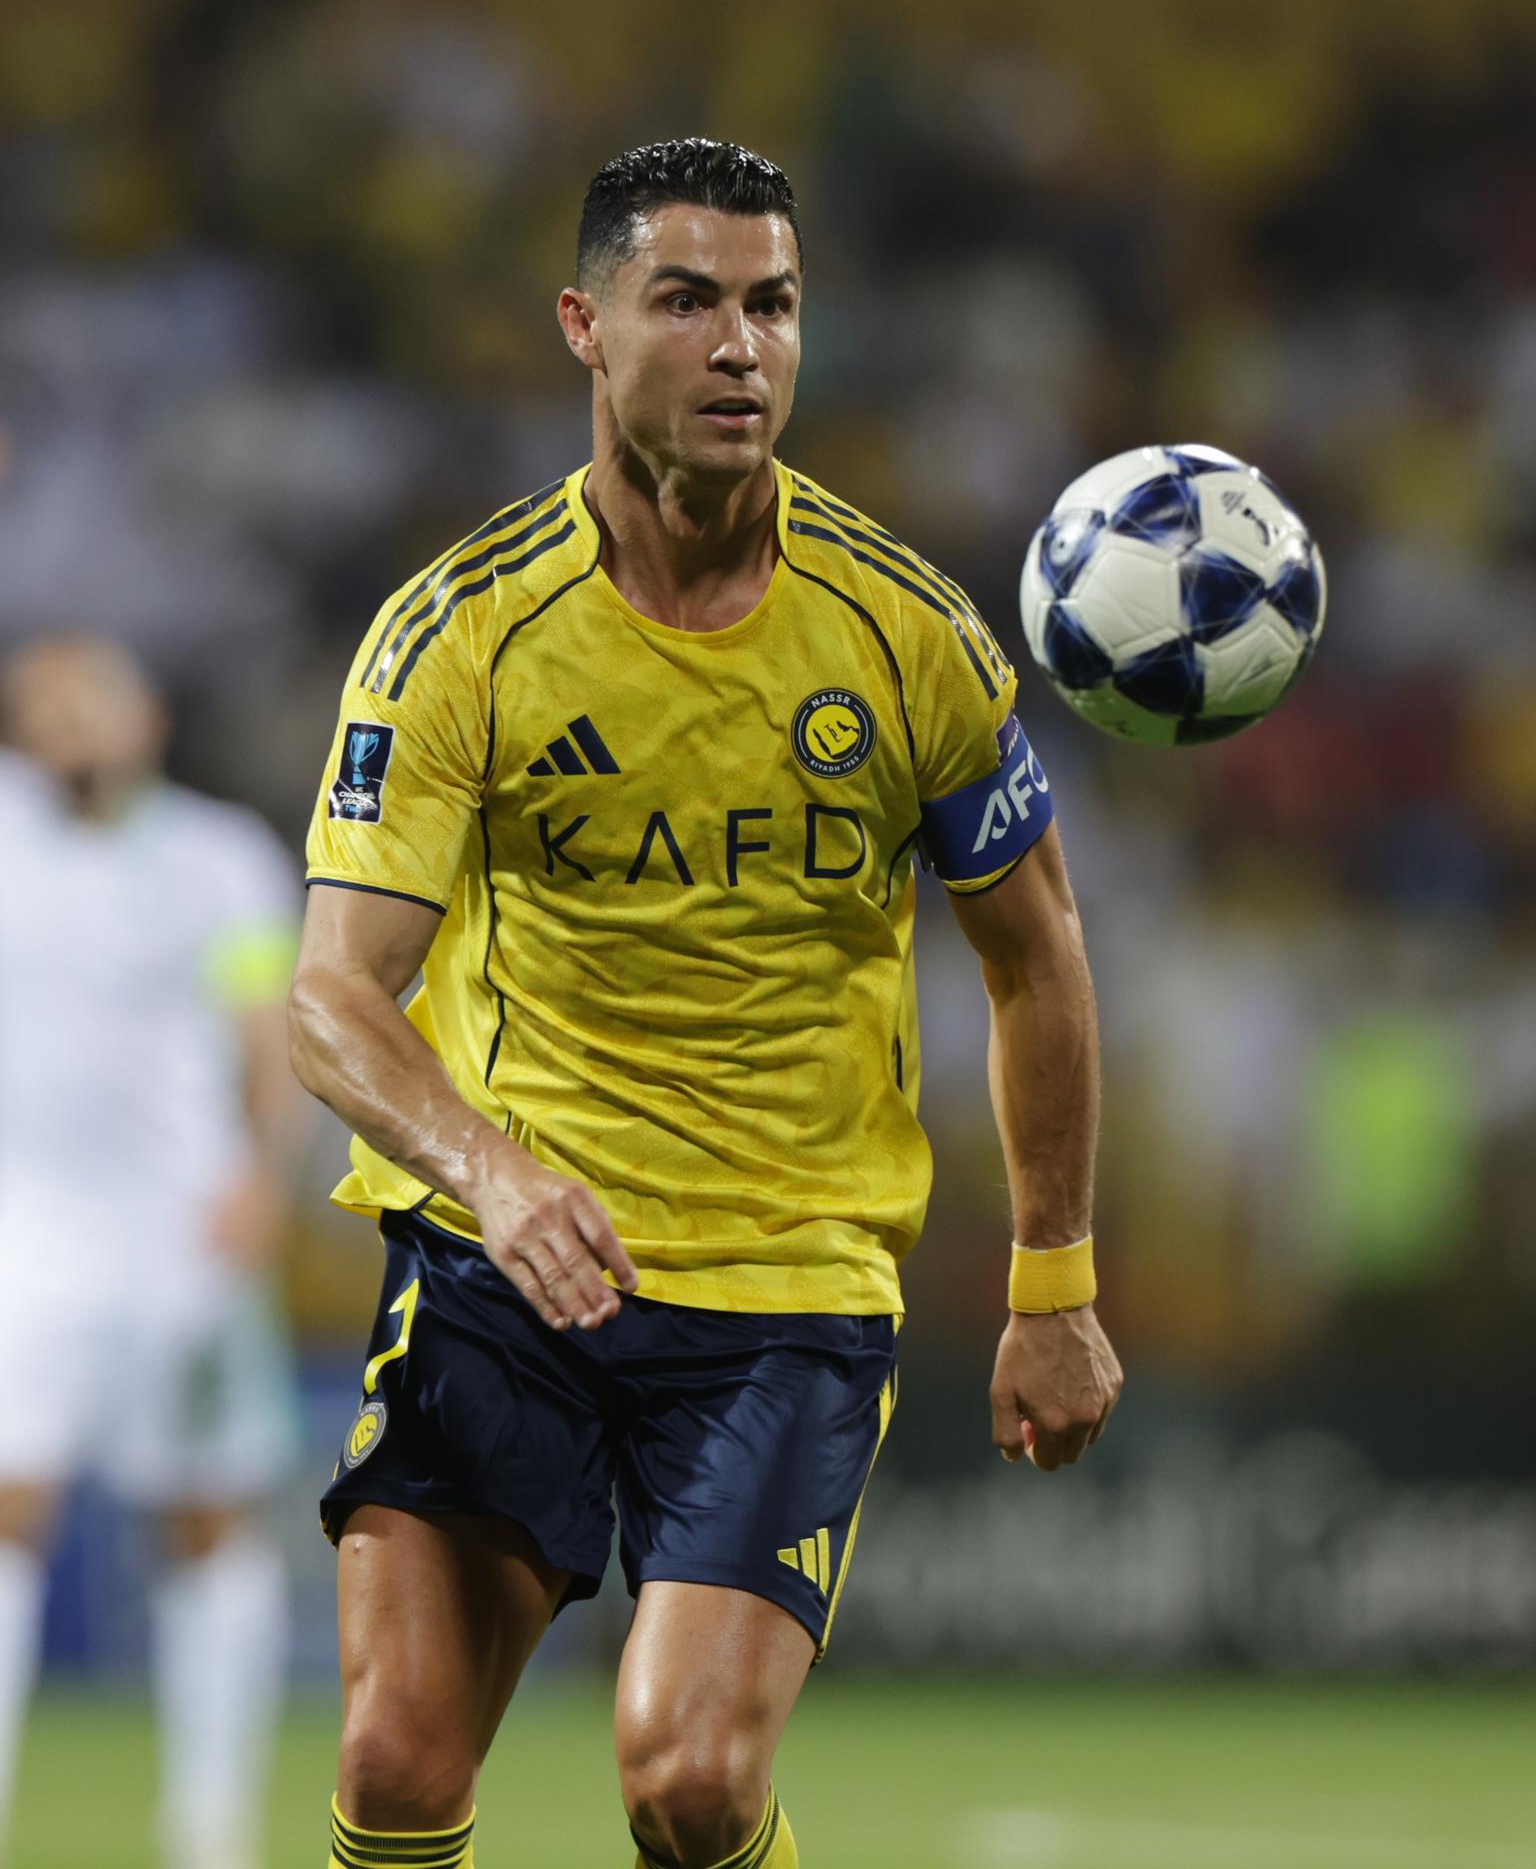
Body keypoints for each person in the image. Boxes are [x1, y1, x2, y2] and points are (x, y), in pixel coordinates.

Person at [291, 137, 1123, 1869]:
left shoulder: (906, 636)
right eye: (690, 302)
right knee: (391, 1758)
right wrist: (490, 1174)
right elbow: (331, 1001)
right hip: (507, 1262)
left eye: (773, 306)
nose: (741, 346)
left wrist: (1053, 1280)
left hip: (785, 1281)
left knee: (689, 1788)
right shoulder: (462, 635)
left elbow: (1035, 947)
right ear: (587, 328)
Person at [0, 633, 302, 1869]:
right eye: (42, 705)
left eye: (91, 702)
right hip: (24, 1231)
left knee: (207, 1522)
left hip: (185, 1233)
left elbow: (265, 1027)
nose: (68, 722)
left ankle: (210, 1832)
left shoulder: (220, 860)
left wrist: (262, 1177)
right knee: (9, 1509)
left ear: (152, 718)